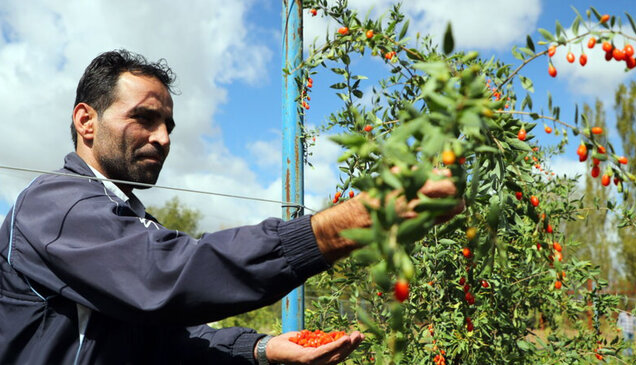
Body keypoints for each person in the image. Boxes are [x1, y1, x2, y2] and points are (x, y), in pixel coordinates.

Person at [0, 50, 462, 364]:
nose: (162, 138)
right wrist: (353, 219)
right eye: (144, 118)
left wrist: (262, 348)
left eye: (169, 126)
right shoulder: (55, 205)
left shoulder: (128, 218)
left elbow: (169, 335)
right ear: (86, 120)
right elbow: (166, 275)